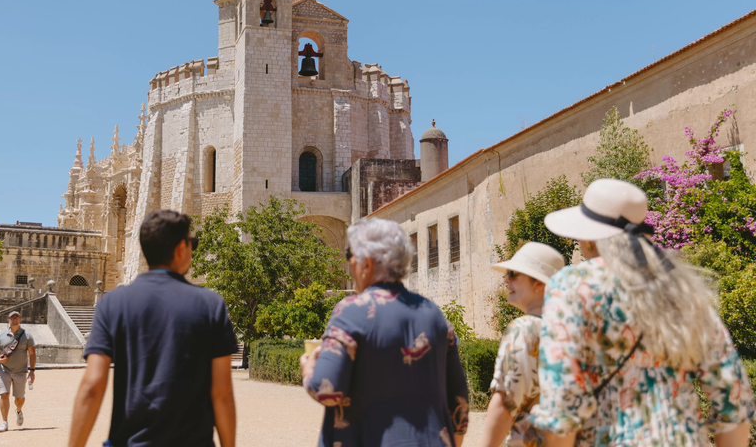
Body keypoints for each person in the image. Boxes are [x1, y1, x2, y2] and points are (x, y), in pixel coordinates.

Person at [529, 178, 755, 446]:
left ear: (589, 238)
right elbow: (732, 399)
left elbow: (562, 401)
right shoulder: (680, 287)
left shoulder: (571, 284)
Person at [68, 210, 238, 447]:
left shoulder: (113, 304)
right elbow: (222, 392)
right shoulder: (211, 305)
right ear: (181, 248)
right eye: (193, 243)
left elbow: (93, 384)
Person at [300, 217, 470, 447]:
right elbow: (459, 405)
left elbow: (326, 389)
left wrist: (309, 369)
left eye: (349, 255)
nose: (348, 263)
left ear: (366, 264)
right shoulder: (433, 314)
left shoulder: (351, 312)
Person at [477, 242, 564, 447]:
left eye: (514, 273)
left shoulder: (525, 329)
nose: (506, 279)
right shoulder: (570, 331)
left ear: (539, 284)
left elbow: (505, 403)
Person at [0, 310, 36, 433]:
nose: (14, 319)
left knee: (19, 399)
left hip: (20, 371)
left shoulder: (27, 336)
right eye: (12, 318)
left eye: (17, 317)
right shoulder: (1, 335)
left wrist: (32, 371)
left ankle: (19, 410)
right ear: (8, 320)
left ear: (20, 320)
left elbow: (32, 354)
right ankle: (4, 422)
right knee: (4, 395)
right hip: (4, 370)